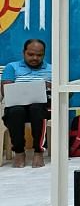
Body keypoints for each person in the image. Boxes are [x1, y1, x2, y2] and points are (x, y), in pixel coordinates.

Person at [2, 39, 52, 168]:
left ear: (44, 55)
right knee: (15, 111)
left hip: (41, 109)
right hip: (16, 107)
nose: (35, 58)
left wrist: (50, 86)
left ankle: (38, 151)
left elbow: (67, 93)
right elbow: (5, 91)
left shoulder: (52, 69)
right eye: (31, 54)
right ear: (24, 53)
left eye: (39, 55)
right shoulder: (12, 67)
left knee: (37, 108)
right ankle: (19, 152)